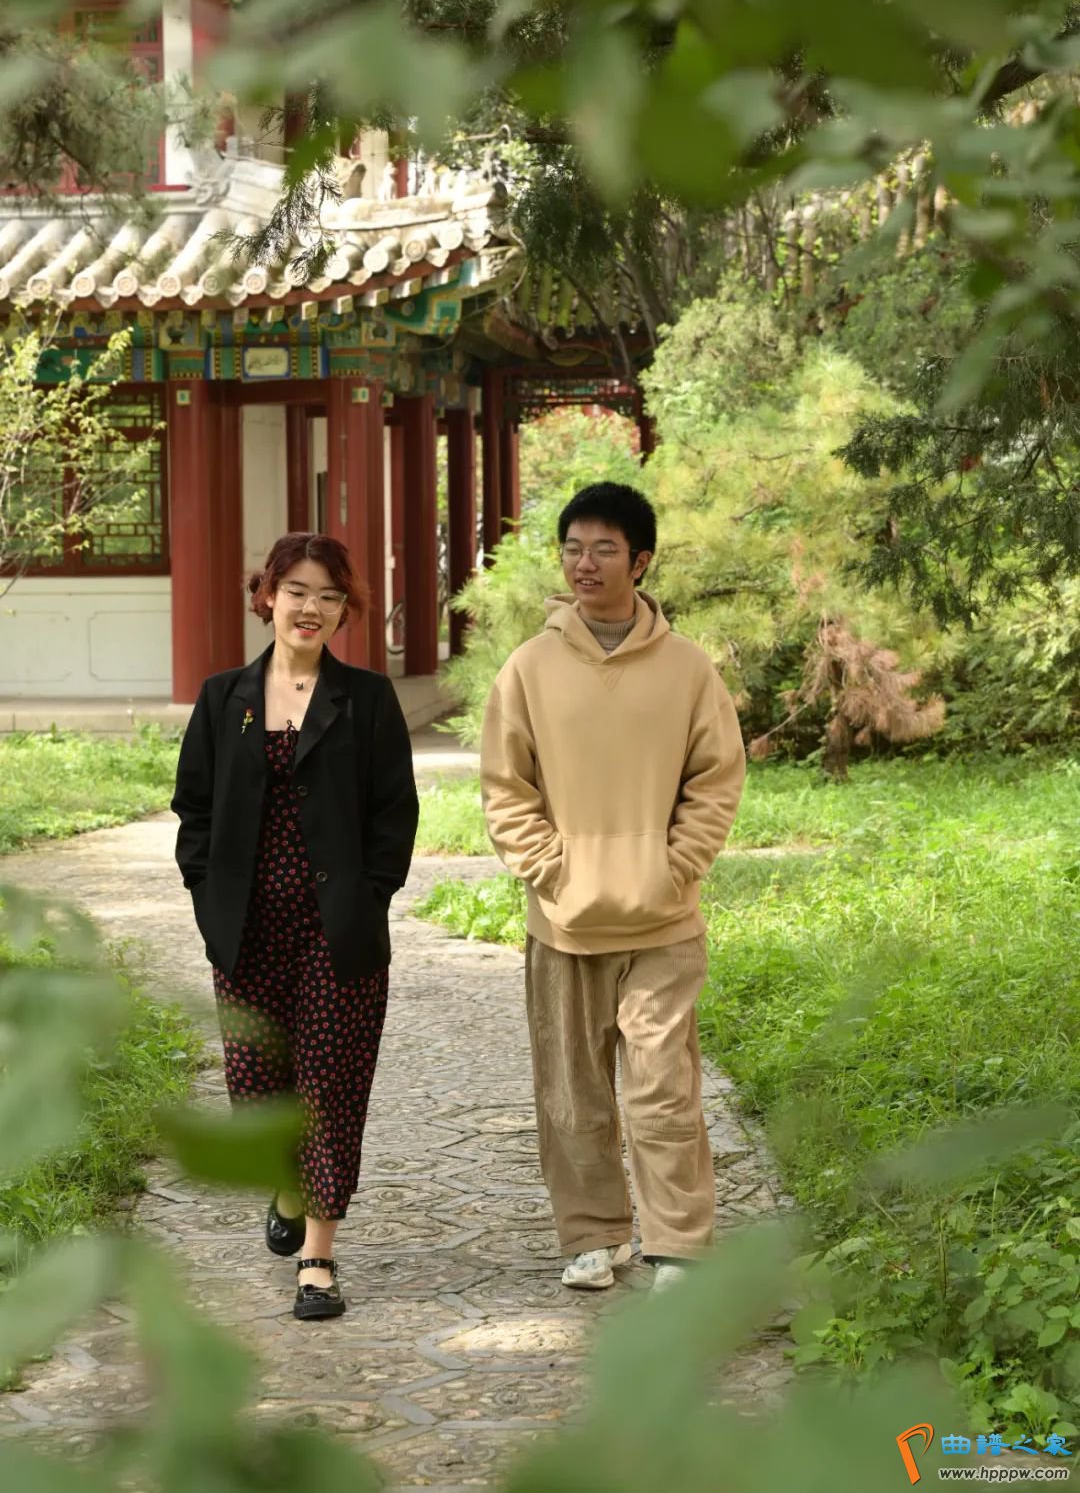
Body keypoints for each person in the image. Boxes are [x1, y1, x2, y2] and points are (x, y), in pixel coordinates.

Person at [480, 482, 745, 1294]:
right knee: (573, 1093)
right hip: (564, 922)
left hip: (663, 921)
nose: (584, 563)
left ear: (641, 560)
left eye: (603, 548)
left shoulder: (687, 668)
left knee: (664, 1089)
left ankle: (679, 1244)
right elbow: (505, 786)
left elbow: (717, 778)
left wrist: (676, 865)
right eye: (572, 548)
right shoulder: (529, 668)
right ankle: (593, 1235)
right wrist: (551, 867)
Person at [171, 531, 418, 1321]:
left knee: (330, 1089)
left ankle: (318, 1256)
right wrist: (207, 897)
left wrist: (370, 897)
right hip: (246, 931)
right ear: (268, 596)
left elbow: (395, 813)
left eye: (330, 596)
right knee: (258, 1091)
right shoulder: (224, 698)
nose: (312, 607)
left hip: (337, 933)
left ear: (345, 610)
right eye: (299, 591)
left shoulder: (367, 699)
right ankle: (284, 1184)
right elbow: (194, 809)